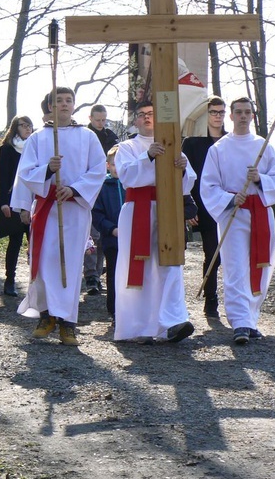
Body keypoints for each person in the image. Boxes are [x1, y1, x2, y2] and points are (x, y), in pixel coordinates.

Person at [16, 86, 106, 346]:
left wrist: (74, 189)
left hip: (75, 207)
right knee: (45, 262)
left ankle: (68, 323)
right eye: (59, 101)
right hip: (48, 207)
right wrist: (47, 169)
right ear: (51, 106)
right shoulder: (38, 138)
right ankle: (46, 316)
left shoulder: (87, 136)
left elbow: (98, 169)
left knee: (71, 262)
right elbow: (26, 171)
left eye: (69, 100)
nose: (64, 104)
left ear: (74, 105)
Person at [201, 97, 275, 345]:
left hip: (260, 211)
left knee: (259, 265)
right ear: (231, 116)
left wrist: (260, 179)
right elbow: (208, 185)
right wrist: (229, 198)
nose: (242, 116)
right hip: (233, 212)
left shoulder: (264, 146)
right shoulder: (218, 149)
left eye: (247, 112)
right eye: (238, 112)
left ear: (252, 116)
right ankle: (239, 322)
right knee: (236, 266)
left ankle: (251, 319)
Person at [114, 101, 197, 343]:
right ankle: (138, 326)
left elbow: (187, 183)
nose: (147, 118)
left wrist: (182, 169)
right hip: (137, 209)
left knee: (169, 264)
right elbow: (127, 176)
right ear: (135, 121)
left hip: (167, 210)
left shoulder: (172, 145)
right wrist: (147, 156)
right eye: (142, 115)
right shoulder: (126, 147)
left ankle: (171, 322)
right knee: (138, 266)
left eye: (152, 114)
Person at [181, 95, 228, 318]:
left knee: (230, 255)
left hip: (228, 204)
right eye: (213, 112)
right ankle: (211, 300)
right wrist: (188, 208)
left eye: (221, 112)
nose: (218, 117)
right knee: (212, 254)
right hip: (202, 205)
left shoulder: (230, 141)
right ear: (205, 115)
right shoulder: (192, 142)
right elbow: (184, 176)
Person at [84, 104, 119, 295]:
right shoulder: (85, 136)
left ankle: (98, 272)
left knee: (104, 234)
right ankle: (91, 275)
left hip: (108, 186)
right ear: (90, 118)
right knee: (92, 234)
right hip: (90, 187)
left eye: (103, 119)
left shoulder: (110, 136)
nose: (101, 123)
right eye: (97, 119)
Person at [0, 115, 34, 297]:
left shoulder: (35, 148)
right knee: (16, 241)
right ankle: (9, 280)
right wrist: (3, 202)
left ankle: (35, 283)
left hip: (34, 200)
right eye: (23, 125)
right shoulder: (7, 149)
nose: (27, 128)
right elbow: (3, 177)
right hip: (13, 200)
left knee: (35, 242)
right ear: (15, 127)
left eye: (30, 125)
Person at [91, 145, 124, 323]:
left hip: (132, 239)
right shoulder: (102, 187)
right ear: (107, 166)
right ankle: (114, 309)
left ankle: (128, 307)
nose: (117, 167)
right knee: (113, 273)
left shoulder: (132, 184)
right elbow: (97, 214)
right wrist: (112, 229)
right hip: (112, 239)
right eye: (114, 163)